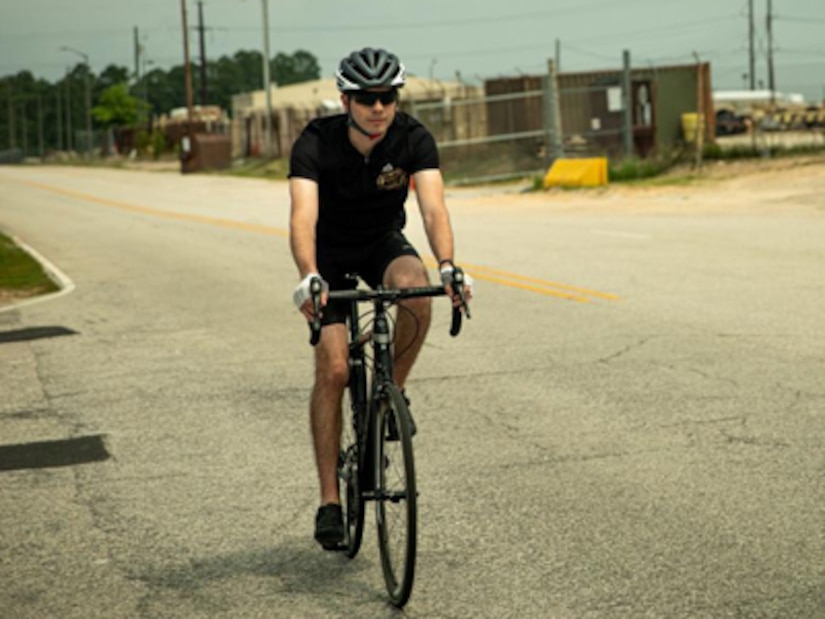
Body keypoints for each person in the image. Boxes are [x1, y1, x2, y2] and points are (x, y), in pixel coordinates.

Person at [288, 47, 472, 549]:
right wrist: (308, 275)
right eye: (367, 98)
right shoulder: (316, 143)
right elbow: (302, 216)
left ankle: (393, 394)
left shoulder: (413, 138)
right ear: (346, 100)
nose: (378, 108)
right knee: (334, 369)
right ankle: (329, 500)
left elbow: (433, 208)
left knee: (417, 289)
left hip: (380, 245)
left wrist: (450, 265)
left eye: (387, 97)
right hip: (330, 255)